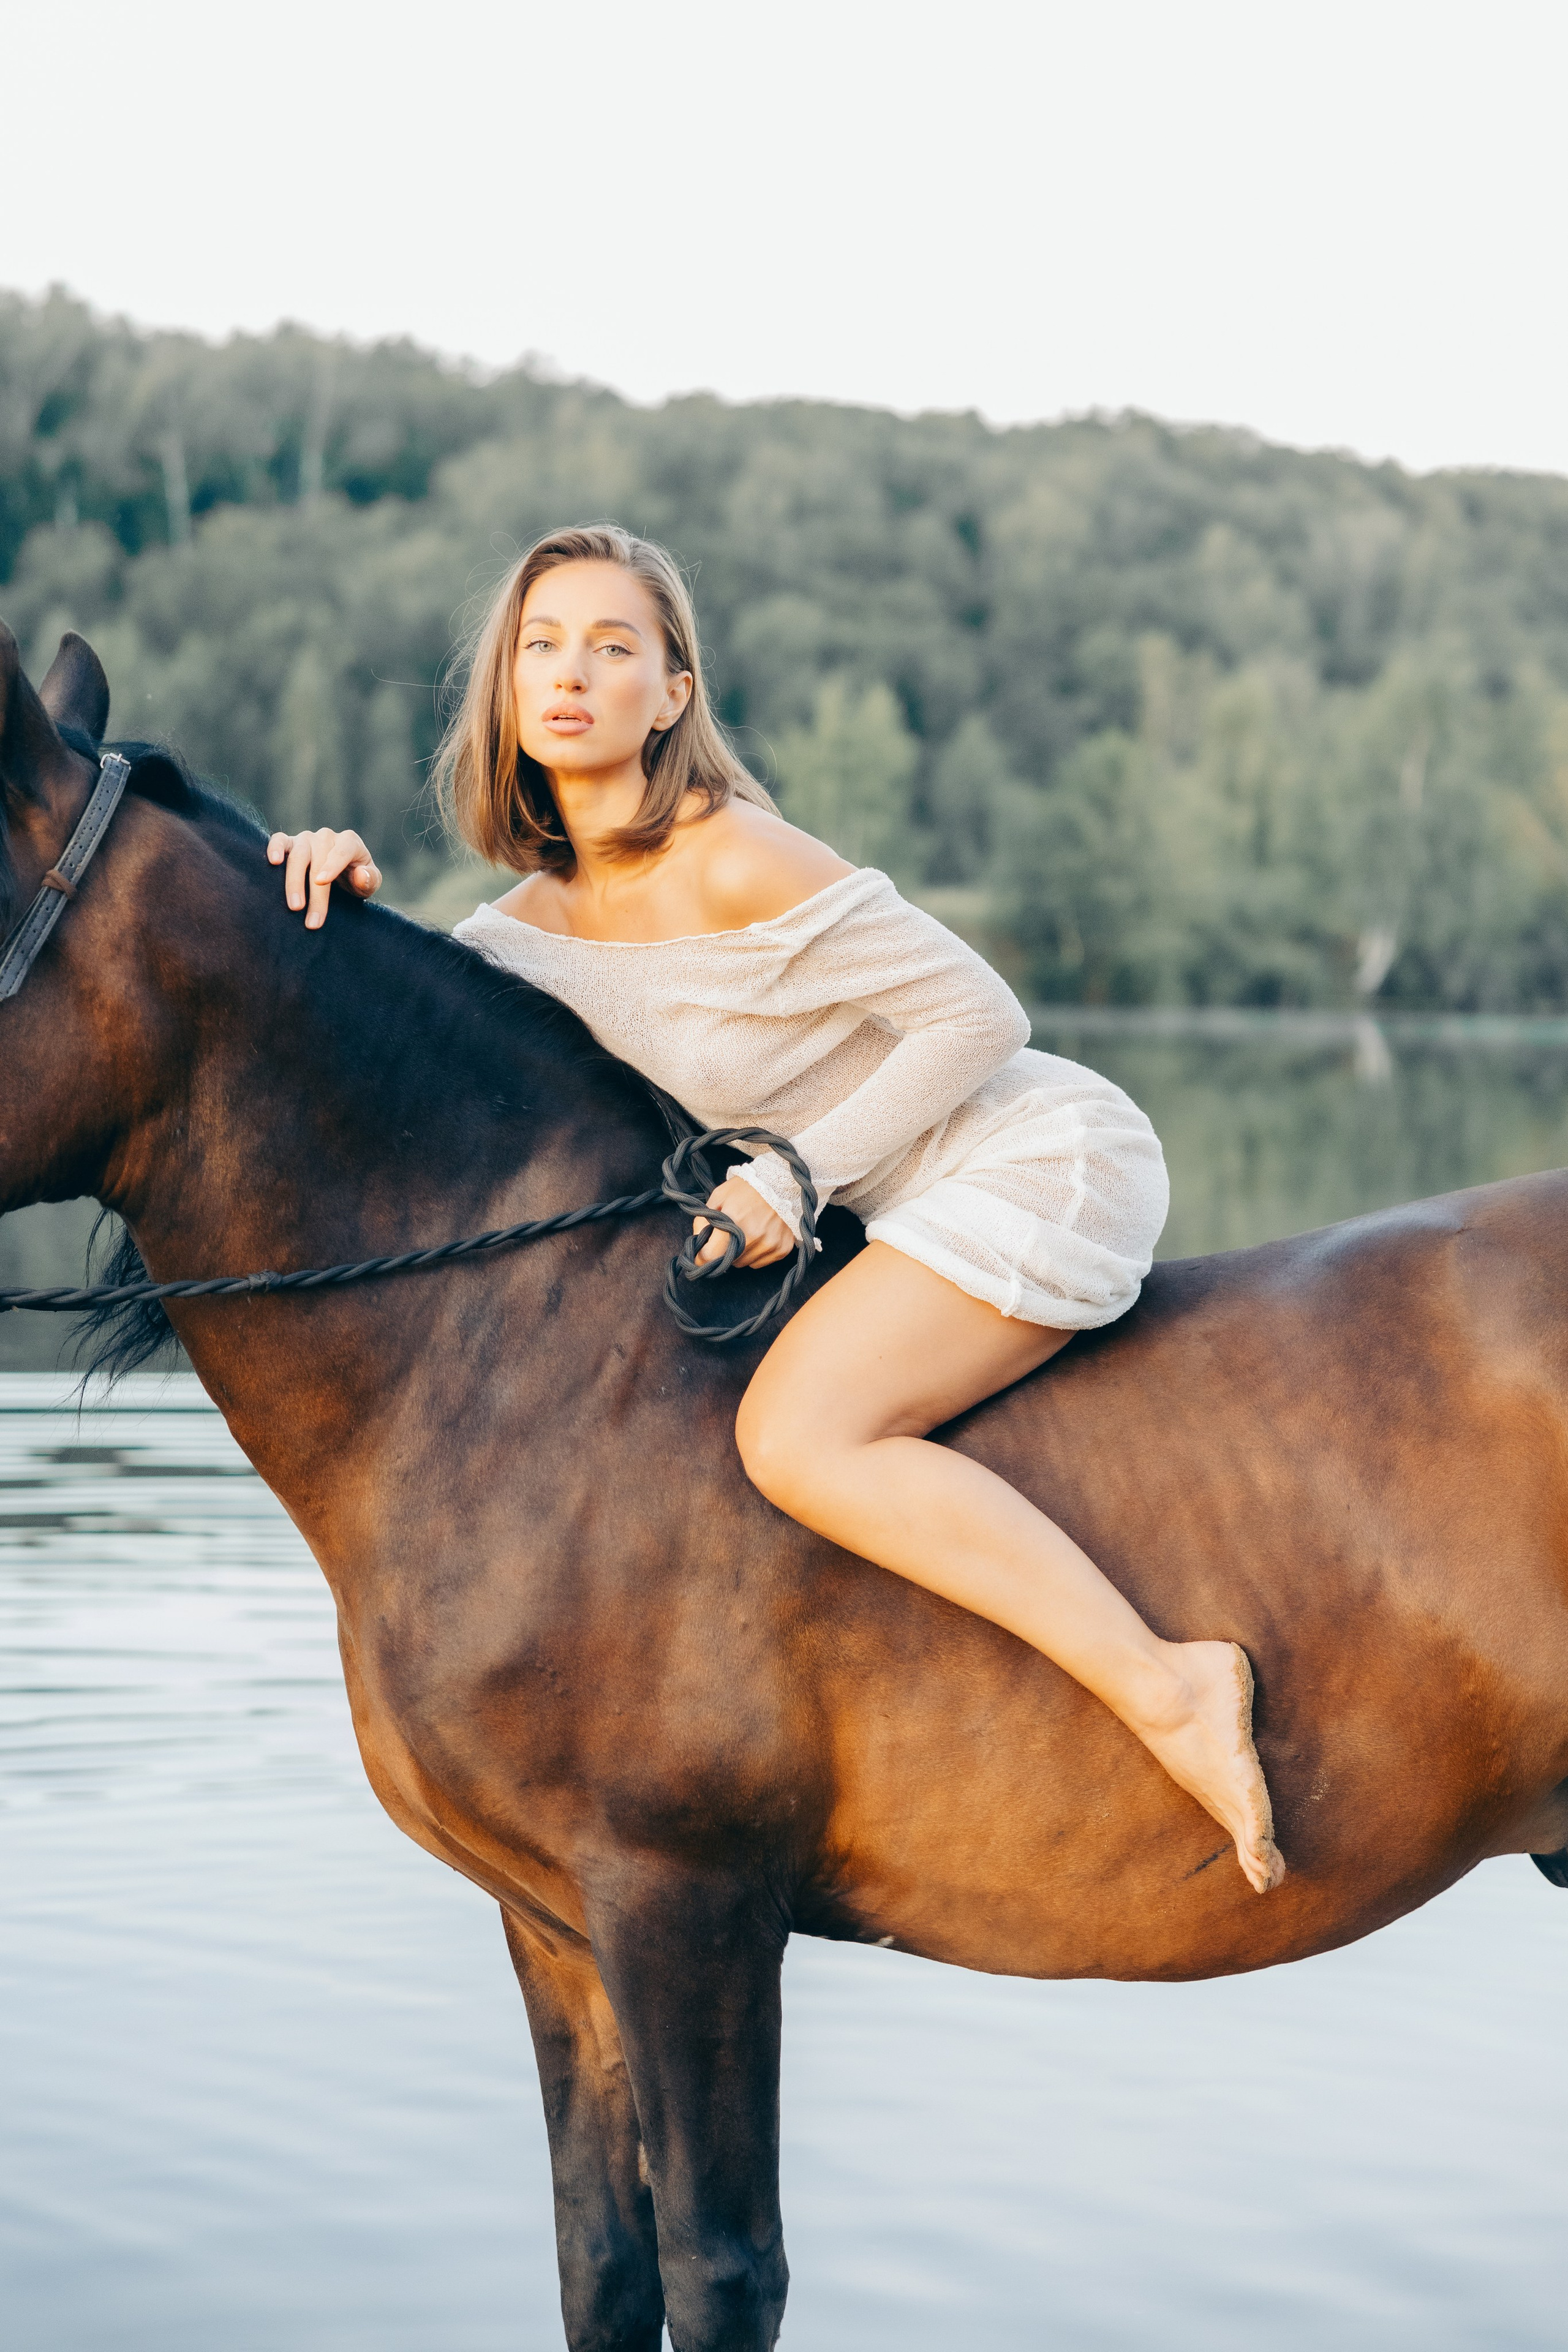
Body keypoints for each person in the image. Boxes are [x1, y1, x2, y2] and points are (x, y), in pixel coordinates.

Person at [268, 523, 1284, 1894]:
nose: (571, 673)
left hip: (1024, 1153)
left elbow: (978, 1015)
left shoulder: (731, 851)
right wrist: (332, 894)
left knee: (796, 1436)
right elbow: (408, 1056)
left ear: (671, 694)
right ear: (505, 687)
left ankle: (1169, 1685)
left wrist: (798, 1176)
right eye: (540, 646)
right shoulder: (513, 941)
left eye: (613, 647)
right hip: (881, 1213)